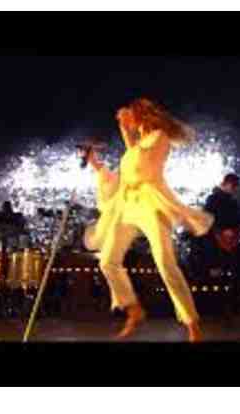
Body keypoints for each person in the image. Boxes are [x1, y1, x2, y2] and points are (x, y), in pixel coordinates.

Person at [81, 98, 214, 342]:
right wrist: (96, 164)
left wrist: (126, 130)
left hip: (151, 204)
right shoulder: (138, 144)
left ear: (141, 117)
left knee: (165, 262)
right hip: (127, 205)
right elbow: (126, 172)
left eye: (131, 115)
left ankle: (191, 322)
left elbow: (142, 166)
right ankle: (133, 309)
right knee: (108, 261)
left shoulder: (159, 138)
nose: (127, 119)